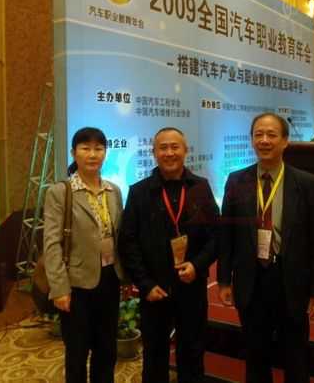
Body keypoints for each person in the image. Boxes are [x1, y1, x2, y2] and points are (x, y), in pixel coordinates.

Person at [217, 113, 314, 383]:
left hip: (291, 280)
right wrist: (223, 280)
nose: (264, 140)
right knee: (255, 355)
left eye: (271, 134)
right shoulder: (236, 181)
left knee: (295, 355)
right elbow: (226, 235)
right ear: (251, 140)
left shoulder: (307, 183)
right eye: (258, 134)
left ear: (285, 141)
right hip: (251, 279)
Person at [118, 127, 219, 383]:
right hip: (155, 289)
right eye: (163, 148)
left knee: (193, 351)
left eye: (175, 147)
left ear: (185, 151)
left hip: (191, 285)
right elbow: (128, 242)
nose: (169, 152)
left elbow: (216, 236)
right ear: (154, 153)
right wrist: (145, 284)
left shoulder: (201, 188)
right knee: (154, 354)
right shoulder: (139, 192)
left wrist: (197, 266)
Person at [44, 127, 125, 383]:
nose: (93, 154)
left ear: (105, 153)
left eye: (98, 149)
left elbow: (118, 235)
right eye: (85, 148)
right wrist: (59, 288)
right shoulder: (61, 191)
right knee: (77, 351)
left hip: (109, 278)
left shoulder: (113, 191)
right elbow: (52, 244)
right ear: (73, 153)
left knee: (107, 348)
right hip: (76, 283)